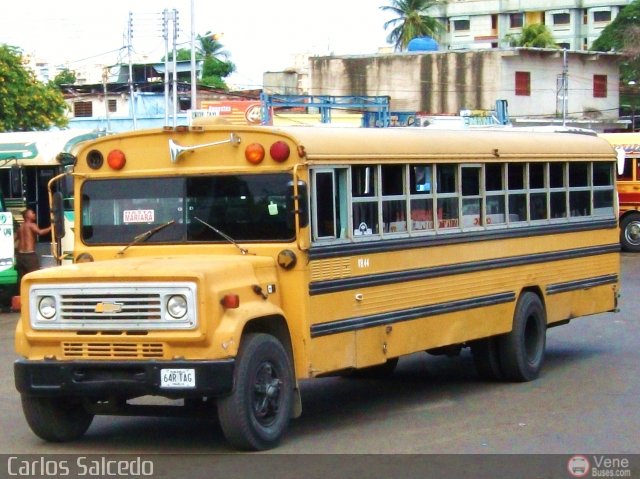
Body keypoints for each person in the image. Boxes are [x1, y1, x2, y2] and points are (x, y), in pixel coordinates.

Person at [16, 209, 51, 284]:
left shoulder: (20, 227)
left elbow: (15, 239)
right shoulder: (32, 225)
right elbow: (40, 232)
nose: (34, 214)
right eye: (32, 213)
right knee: (34, 276)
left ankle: (21, 293)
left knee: (22, 278)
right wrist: (51, 227)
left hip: (20, 256)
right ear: (27, 216)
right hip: (30, 256)